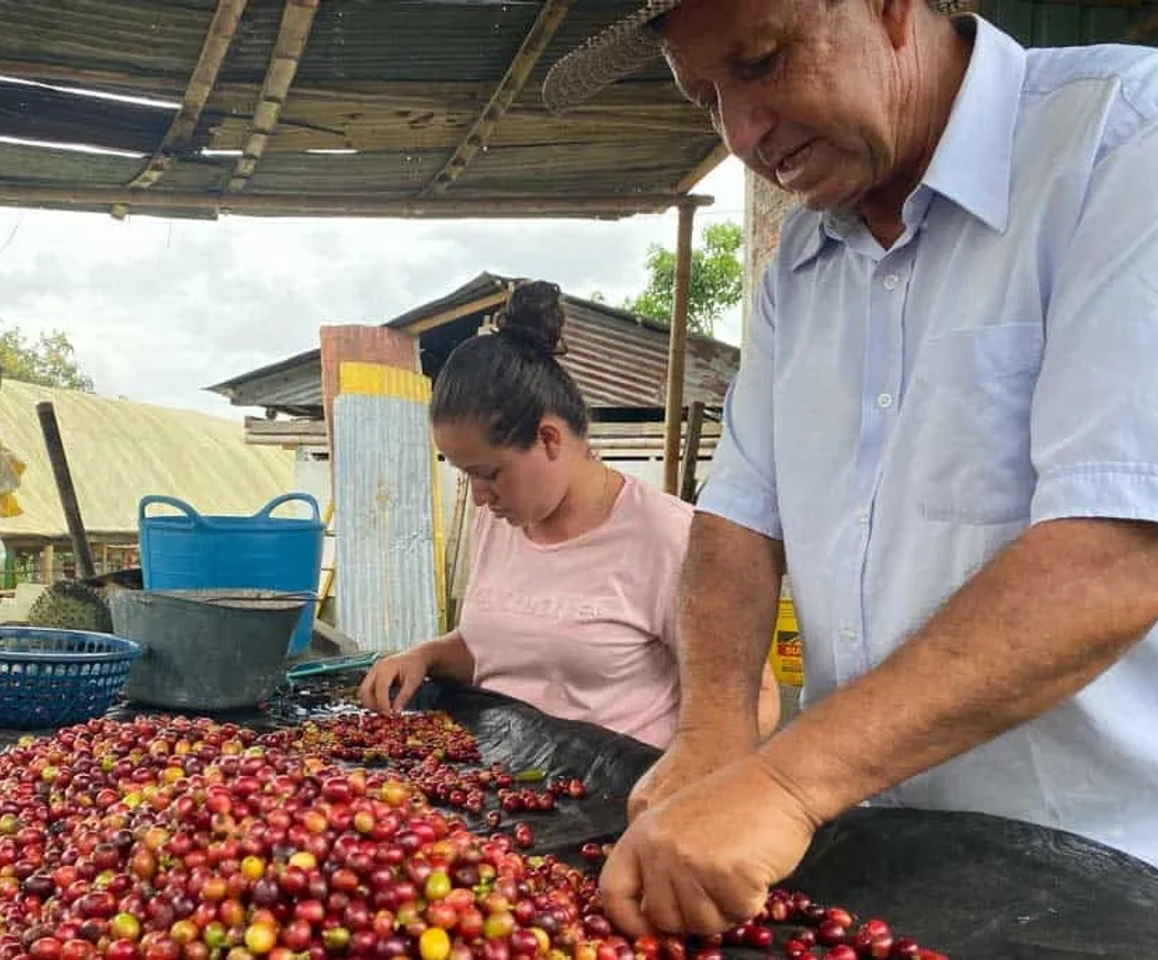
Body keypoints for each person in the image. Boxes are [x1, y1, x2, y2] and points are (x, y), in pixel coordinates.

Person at [540, 0, 1158, 938]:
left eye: (760, 62)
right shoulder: (800, 260)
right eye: (706, 96)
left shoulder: (1123, 143)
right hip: (870, 860)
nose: (744, 134)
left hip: (1107, 880)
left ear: (890, 9)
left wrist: (786, 782)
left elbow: (1116, 550)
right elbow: (741, 513)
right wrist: (715, 729)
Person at [358, 280, 780, 749]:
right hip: (505, 789)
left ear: (549, 439)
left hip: (620, 801)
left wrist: (688, 781)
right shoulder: (499, 520)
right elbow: (506, 648)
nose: (479, 497)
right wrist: (426, 655)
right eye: (466, 476)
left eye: (490, 474)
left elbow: (755, 698)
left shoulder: (670, 538)